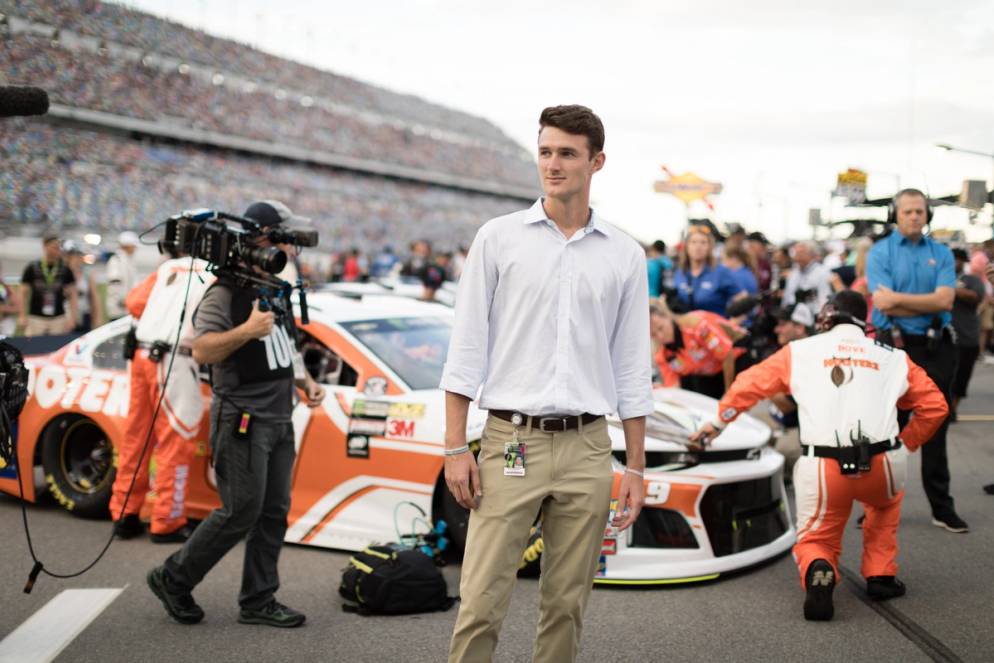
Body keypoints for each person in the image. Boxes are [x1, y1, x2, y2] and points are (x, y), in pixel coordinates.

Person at [440, 105, 652, 663]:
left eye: (566, 153)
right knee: (481, 599)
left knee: (566, 605)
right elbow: (465, 349)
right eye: (545, 152)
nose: (552, 165)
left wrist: (635, 464)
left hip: (588, 446)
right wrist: (455, 446)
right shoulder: (498, 238)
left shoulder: (625, 254)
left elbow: (632, 366)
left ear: (596, 161)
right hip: (512, 439)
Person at [690, 291, 947, 621]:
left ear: (826, 316)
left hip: (825, 465)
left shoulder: (800, 351)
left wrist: (715, 425)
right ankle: (881, 574)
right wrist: (906, 444)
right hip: (884, 464)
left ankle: (818, 565)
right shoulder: (894, 356)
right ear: (863, 321)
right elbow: (935, 406)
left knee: (816, 535)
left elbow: (747, 386)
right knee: (884, 507)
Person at [147, 200, 326, 628]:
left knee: (272, 512)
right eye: (282, 237)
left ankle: (258, 599)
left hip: (279, 417)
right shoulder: (225, 292)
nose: (290, 248)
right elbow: (201, 348)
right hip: (243, 416)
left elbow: (281, 342)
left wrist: (303, 380)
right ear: (263, 238)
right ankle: (173, 577)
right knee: (240, 510)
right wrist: (246, 330)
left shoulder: (270, 286)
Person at [866, 189, 967, 533]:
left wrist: (900, 300)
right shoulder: (880, 253)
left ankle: (942, 508)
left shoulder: (941, 253)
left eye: (919, 211)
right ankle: (874, 502)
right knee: (885, 427)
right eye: (907, 211)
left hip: (935, 347)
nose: (913, 216)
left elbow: (945, 300)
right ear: (895, 215)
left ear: (928, 215)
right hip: (892, 347)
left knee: (935, 425)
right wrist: (926, 302)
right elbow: (883, 305)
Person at [109, 252, 215, 542]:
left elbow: (134, 303)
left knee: (136, 438)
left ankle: (124, 513)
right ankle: (167, 521)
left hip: (142, 355)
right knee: (175, 440)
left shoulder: (168, 266)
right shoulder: (215, 271)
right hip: (174, 359)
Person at [650, 303, 747, 399]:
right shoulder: (662, 355)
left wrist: (728, 392)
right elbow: (673, 388)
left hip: (737, 357)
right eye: (653, 335)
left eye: (661, 328)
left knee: (733, 401)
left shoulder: (696, 325)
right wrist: (661, 392)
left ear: (668, 317)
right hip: (708, 373)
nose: (660, 336)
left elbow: (727, 354)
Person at [766, 303, 815, 473]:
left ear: (800, 328)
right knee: (745, 426)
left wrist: (767, 381)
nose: (776, 330)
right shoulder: (790, 350)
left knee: (781, 455)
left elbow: (787, 406)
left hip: (803, 427)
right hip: (778, 417)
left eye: (782, 325)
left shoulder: (812, 356)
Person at [671, 226, 743, 316]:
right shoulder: (680, 273)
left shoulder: (721, 272)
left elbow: (743, 300)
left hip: (713, 327)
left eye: (703, 242)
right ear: (686, 247)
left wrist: (732, 324)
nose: (698, 246)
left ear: (710, 247)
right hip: (687, 327)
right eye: (693, 242)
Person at [949, 248, 984, 420]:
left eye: (956, 259)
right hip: (945, 337)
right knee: (945, 374)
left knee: (962, 375)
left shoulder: (971, 279)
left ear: (963, 261)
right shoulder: (941, 277)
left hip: (967, 335)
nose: (953, 262)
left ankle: (953, 408)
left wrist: (953, 289)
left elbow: (976, 296)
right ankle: (944, 407)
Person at [19, 234, 78, 336]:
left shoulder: (65, 269)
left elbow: (73, 294)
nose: (57, 250)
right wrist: (22, 315)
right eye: (54, 247)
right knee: (34, 346)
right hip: (36, 317)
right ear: (45, 246)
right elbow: (23, 293)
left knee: (57, 346)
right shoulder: (32, 267)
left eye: (58, 247)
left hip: (58, 317)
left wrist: (72, 317)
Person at [782, 240, 832, 318]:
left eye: (801, 252)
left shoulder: (823, 272)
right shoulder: (794, 273)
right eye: (796, 252)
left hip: (813, 317)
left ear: (812, 254)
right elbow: (787, 297)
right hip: (793, 316)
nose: (797, 256)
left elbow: (826, 299)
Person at [63, 241, 102, 332]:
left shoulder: (86, 274)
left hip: (84, 314)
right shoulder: (62, 273)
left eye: (79, 256)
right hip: (65, 315)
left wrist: (97, 317)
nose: (78, 259)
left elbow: (94, 296)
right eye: (74, 256)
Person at [106, 231, 140, 320]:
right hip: (119, 309)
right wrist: (122, 300)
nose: (135, 249)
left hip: (126, 307)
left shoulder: (126, 260)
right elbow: (115, 283)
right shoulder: (117, 260)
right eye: (133, 246)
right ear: (127, 245)